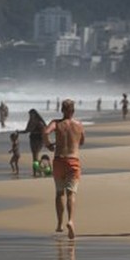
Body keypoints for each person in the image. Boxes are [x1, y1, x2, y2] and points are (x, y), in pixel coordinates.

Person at [44, 99, 85, 239]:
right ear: (73, 111)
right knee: (71, 194)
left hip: (59, 161)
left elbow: (45, 132)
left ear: (62, 110)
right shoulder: (79, 125)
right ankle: (71, 221)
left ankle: (60, 223)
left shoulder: (56, 123)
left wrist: (48, 144)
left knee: (59, 193)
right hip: (73, 161)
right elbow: (82, 141)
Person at [22, 109, 47, 177]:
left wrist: (45, 141)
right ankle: (39, 170)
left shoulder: (40, 122)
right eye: (29, 115)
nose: (30, 116)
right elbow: (27, 130)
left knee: (35, 156)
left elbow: (44, 132)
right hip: (32, 138)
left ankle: (36, 172)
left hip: (39, 139)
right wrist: (20, 132)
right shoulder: (30, 122)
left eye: (31, 114)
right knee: (34, 156)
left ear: (35, 114)